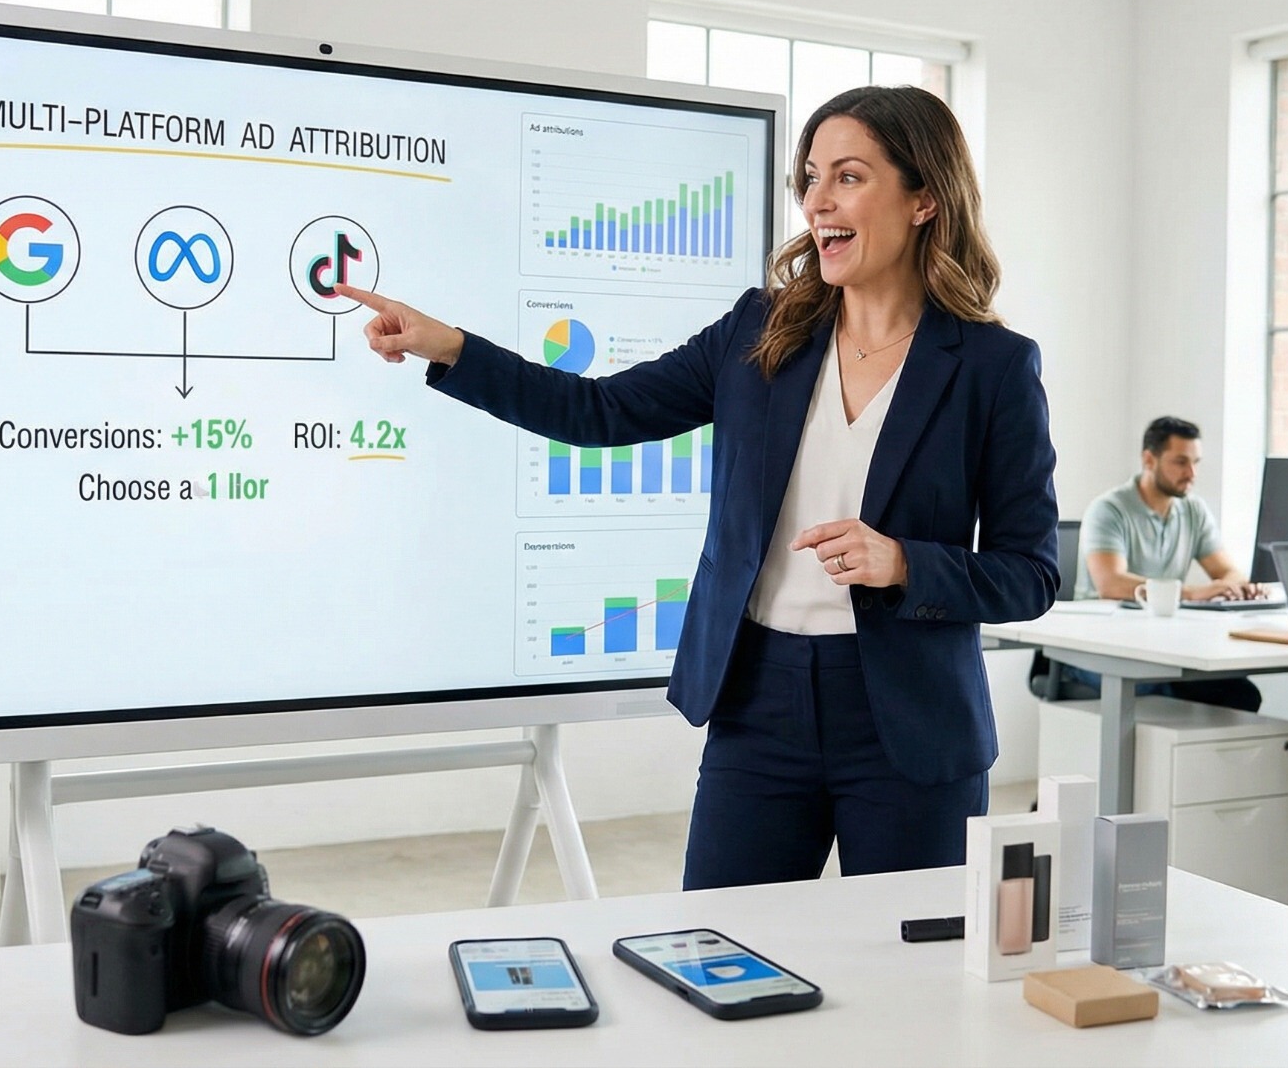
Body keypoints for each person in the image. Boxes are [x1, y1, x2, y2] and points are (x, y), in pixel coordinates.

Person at [336, 86, 1059, 889]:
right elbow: (600, 410)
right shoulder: (760, 331)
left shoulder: (993, 368)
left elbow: (1031, 574)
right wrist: (451, 347)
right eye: (811, 177)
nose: (817, 200)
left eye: (848, 176)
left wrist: (904, 563)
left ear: (924, 198)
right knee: (719, 944)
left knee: (907, 952)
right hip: (760, 704)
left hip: (913, 722)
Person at [1061, 416, 1264, 712]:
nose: (1191, 473)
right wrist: (1192, 593)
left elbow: (1228, 571)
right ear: (1149, 459)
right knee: (1159, 685)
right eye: (1180, 462)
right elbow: (1111, 583)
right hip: (1098, 650)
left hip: (1161, 646)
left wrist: (1234, 587)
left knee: (1240, 693)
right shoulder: (1109, 510)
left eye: (1195, 462)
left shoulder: (1193, 510)